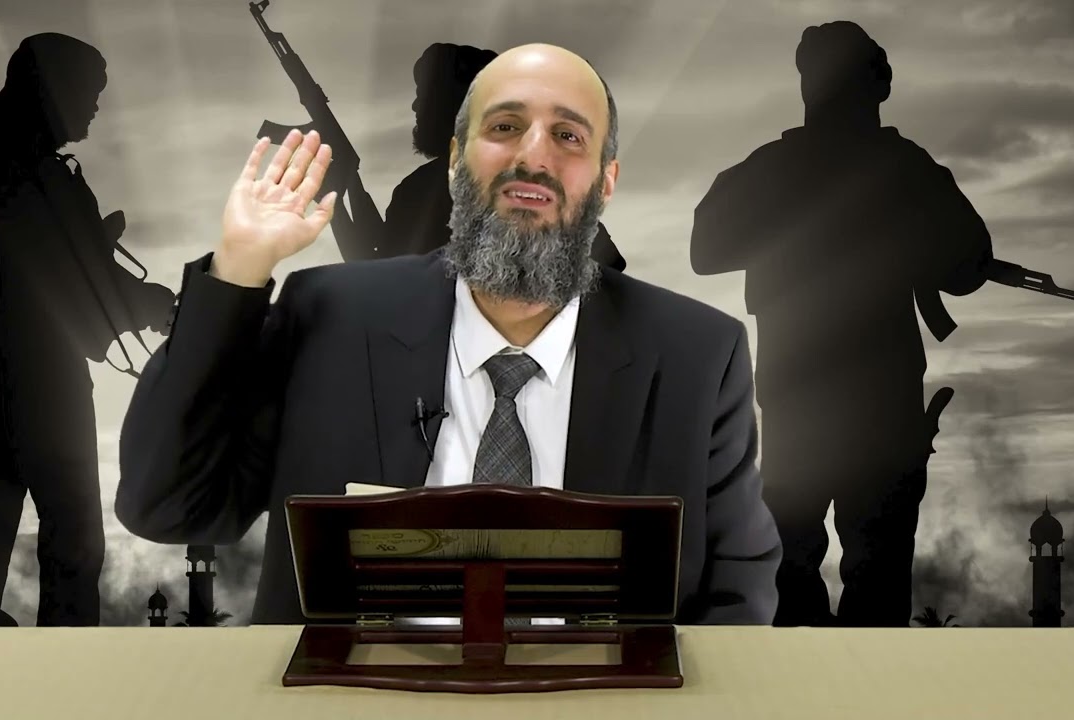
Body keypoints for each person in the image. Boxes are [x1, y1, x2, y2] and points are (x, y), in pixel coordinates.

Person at [115, 43, 781, 625]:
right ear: (457, 159)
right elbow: (169, 507)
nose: (533, 155)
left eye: (568, 136)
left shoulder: (700, 357)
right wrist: (239, 268)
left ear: (607, 180)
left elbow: (737, 599)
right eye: (505, 126)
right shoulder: (327, 318)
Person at [690, 21, 992, 627]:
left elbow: (968, 264)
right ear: (878, 86)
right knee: (860, 573)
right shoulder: (901, 168)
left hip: (811, 399)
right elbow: (968, 267)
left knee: (800, 567)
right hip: (864, 404)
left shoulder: (775, 169)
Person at [0, 33, 175, 626]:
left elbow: (89, 279)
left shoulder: (55, 182)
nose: (95, 106)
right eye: (88, 92)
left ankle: (56, 666)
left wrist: (151, 303)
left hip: (44, 383)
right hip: (7, 384)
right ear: (51, 91)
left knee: (63, 547)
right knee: (1, 548)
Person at [328, 42, 627, 271]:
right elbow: (379, 269)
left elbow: (377, 273)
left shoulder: (420, 190)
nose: (416, 107)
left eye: (424, 96)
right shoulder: (420, 189)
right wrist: (343, 193)